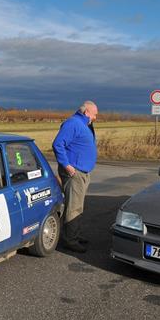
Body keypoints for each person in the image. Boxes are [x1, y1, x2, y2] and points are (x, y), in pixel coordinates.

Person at [52, 100, 98, 253]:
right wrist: (66, 165)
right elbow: (58, 144)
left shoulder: (85, 124)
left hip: (83, 172)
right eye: (94, 114)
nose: (96, 117)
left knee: (77, 206)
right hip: (74, 172)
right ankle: (70, 240)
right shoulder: (73, 123)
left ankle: (74, 235)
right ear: (86, 112)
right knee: (73, 207)